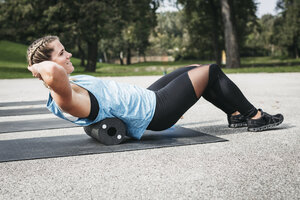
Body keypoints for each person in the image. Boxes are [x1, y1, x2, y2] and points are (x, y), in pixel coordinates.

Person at [27, 36, 284, 140]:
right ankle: (255, 116)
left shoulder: (69, 84)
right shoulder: (63, 96)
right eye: (62, 53)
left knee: (196, 68)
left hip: (148, 98)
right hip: (154, 110)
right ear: (49, 64)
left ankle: (235, 114)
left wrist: (46, 62)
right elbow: (52, 72)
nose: (69, 54)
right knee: (212, 71)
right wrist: (38, 66)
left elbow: (55, 70)